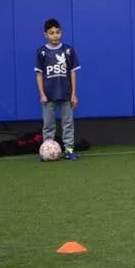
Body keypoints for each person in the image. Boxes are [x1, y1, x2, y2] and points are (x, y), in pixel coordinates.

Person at [35, 18, 80, 161]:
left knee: (68, 123)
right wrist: (42, 94)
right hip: (48, 96)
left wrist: (74, 94)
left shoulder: (68, 50)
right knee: (48, 125)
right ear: (45, 34)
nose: (55, 35)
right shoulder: (41, 52)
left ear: (61, 32)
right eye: (51, 33)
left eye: (57, 32)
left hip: (66, 94)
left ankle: (69, 150)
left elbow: (72, 73)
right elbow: (39, 74)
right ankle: (46, 151)